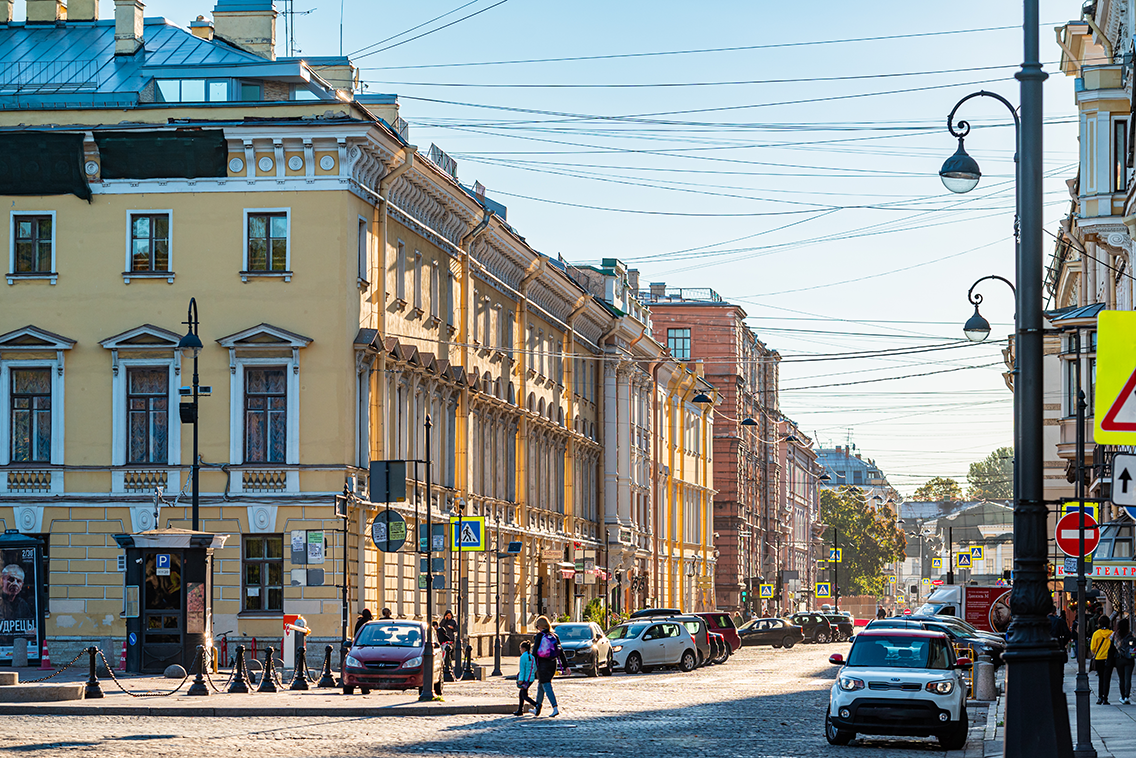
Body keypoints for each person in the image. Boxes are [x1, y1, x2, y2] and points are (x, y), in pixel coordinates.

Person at [531, 615, 568, 717]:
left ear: (540, 626)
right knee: (541, 685)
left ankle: (555, 707)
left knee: (546, 685)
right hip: (552, 664)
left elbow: (534, 652)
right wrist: (566, 666)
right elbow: (561, 652)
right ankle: (537, 709)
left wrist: (531, 664)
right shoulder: (555, 636)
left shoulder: (539, 636)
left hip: (542, 664)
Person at [1091, 617, 1116, 705]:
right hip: (1108, 659)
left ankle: (1100, 697)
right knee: (1107, 679)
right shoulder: (1112, 634)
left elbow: (1093, 648)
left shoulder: (1096, 634)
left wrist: (1097, 653)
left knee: (1101, 678)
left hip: (1099, 658)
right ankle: (1105, 698)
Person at [514, 640, 539, 716]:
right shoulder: (532, 657)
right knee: (522, 694)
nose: (520, 650)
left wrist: (521, 680)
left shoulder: (523, 657)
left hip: (525, 679)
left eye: (520, 649)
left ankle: (536, 705)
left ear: (523, 649)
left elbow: (522, 669)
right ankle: (520, 710)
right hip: (531, 678)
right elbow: (535, 668)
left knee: (524, 695)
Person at [1115, 618, 1136, 705]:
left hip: (1119, 659)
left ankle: (1122, 696)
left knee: (1121, 678)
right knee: (1128, 678)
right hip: (1129, 659)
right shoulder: (1131, 635)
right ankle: (1127, 696)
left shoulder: (1116, 635)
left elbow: (1114, 646)